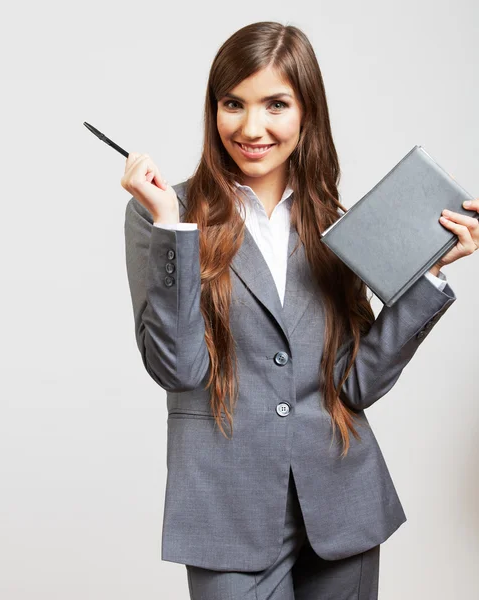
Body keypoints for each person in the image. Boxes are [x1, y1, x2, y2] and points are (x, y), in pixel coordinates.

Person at [121, 21, 478, 600]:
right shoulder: (166, 215)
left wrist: (429, 274)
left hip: (342, 505)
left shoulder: (332, 219)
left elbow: (354, 384)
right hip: (225, 512)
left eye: (276, 104)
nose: (251, 127)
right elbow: (180, 370)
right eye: (233, 103)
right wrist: (173, 229)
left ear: (306, 113)